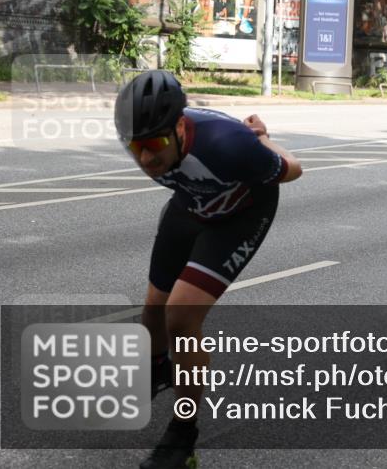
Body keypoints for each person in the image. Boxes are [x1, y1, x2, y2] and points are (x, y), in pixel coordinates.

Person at [114, 70, 302, 469]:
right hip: (192, 205)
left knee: (180, 317)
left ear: (180, 127)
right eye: (135, 148)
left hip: (242, 213)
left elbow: (293, 168)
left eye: (154, 145)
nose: (146, 159)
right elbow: (170, 167)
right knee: (153, 309)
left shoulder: (228, 145)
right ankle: (159, 368)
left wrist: (264, 137)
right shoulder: (156, 145)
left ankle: (183, 436)